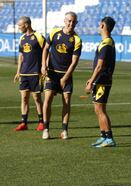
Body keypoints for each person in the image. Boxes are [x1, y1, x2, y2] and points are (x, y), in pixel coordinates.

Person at [41, 11, 82, 140]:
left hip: (66, 75)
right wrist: (43, 65)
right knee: (47, 100)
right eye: (69, 21)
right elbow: (46, 49)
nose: (71, 24)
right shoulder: (54, 33)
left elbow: (74, 62)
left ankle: (64, 130)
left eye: (74, 22)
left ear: (76, 23)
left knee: (66, 102)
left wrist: (65, 78)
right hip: (52, 73)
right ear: (64, 21)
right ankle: (46, 129)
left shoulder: (77, 40)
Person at [85, 17, 116, 148]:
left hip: (102, 81)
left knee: (100, 109)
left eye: (99, 25)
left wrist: (91, 81)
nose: (99, 27)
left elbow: (99, 66)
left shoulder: (106, 44)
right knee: (97, 109)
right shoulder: (107, 42)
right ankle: (103, 136)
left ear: (102, 25)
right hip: (100, 80)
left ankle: (109, 138)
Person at [13, 16, 45, 131]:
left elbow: (46, 52)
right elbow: (21, 56)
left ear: (26, 25)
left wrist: (43, 67)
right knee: (24, 98)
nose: (19, 28)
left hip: (35, 73)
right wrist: (18, 72)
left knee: (36, 97)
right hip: (24, 73)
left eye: (20, 25)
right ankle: (24, 123)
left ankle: (41, 122)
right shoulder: (22, 38)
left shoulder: (39, 37)